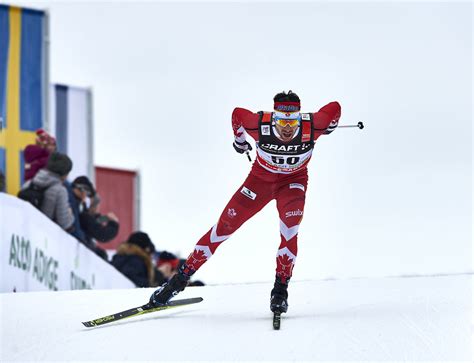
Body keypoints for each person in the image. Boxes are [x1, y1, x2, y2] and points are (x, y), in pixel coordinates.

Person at [149, 91, 340, 314]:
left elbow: (335, 107)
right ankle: (176, 283)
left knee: (290, 231)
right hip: (259, 182)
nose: (287, 128)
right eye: (281, 121)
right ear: (273, 117)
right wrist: (239, 141)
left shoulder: (314, 124)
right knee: (222, 229)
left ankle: (280, 291)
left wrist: (330, 126)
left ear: (300, 117)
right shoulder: (259, 124)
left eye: (292, 121)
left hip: (292, 183)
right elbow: (237, 114)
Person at [23, 152, 74, 231]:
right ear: (64, 173)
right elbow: (65, 223)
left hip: (27, 231)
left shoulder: (29, 183)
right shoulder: (60, 191)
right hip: (45, 236)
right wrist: (70, 214)